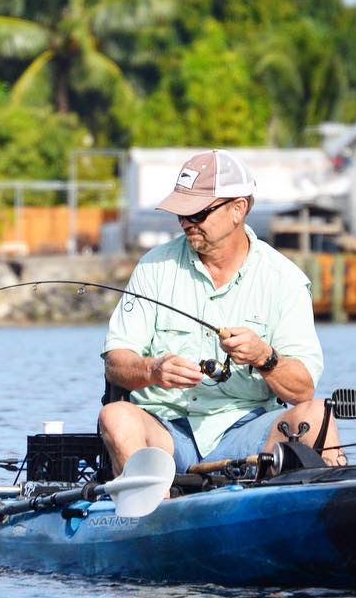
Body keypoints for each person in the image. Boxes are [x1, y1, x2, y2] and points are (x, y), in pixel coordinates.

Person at [99, 149, 340, 477]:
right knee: (115, 416)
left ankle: (326, 511)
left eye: (197, 213)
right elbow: (116, 363)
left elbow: (302, 390)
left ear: (238, 209)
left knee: (317, 414)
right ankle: (154, 510)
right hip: (165, 432)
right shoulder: (153, 267)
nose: (186, 223)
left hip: (249, 431)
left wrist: (264, 357)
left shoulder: (286, 280)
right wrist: (153, 370)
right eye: (180, 214)